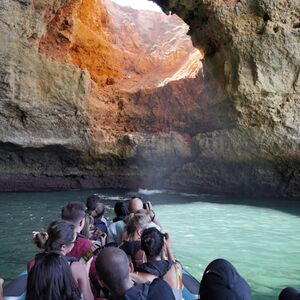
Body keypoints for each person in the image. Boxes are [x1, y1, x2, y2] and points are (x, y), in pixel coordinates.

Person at [26, 219, 93, 300]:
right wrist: (86, 268)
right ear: (63, 246)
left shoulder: (32, 263)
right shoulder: (76, 267)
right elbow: (89, 298)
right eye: (74, 242)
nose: (75, 244)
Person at [95, 247, 175, 300]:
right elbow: (152, 283)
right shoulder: (162, 289)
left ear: (100, 282)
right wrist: (129, 273)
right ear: (131, 267)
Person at [133, 227, 183, 300]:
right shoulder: (176, 268)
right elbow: (172, 265)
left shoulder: (136, 275)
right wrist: (168, 248)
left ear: (142, 247)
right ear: (163, 246)